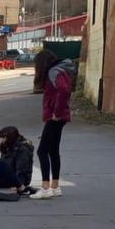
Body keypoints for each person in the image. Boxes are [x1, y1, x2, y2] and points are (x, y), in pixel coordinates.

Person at [29, 50, 76, 200]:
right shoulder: (61, 70)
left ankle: (45, 187)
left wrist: (56, 112)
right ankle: (55, 186)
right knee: (53, 150)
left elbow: (64, 90)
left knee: (42, 151)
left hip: (55, 117)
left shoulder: (53, 72)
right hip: (60, 116)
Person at [0, 126, 36, 196]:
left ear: (10, 138)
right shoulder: (9, 146)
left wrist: (18, 185)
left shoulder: (22, 150)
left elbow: (22, 170)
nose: (2, 141)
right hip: (8, 176)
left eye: (3, 138)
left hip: (15, 180)